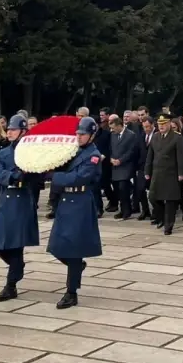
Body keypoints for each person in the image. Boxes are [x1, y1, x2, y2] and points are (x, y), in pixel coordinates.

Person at [47, 116, 103, 308]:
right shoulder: (73, 150)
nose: (79, 137)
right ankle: (77, 267)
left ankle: (71, 292)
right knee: (55, 245)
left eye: (83, 134)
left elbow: (79, 178)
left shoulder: (93, 155)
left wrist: (56, 177)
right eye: (77, 133)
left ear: (92, 135)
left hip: (80, 201)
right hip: (66, 201)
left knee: (73, 249)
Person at [0, 116, 36, 301]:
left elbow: (34, 174)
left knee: (15, 245)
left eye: (14, 130)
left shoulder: (31, 152)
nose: (9, 132)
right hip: (5, 198)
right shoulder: (4, 152)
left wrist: (21, 176)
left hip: (21, 199)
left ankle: (11, 285)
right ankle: (17, 267)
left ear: (23, 132)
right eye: (9, 129)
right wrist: (13, 176)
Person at [144, 113, 183, 234]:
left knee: (170, 201)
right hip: (157, 173)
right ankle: (161, 217)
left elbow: (181, 156)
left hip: (171, 173)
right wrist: (147, 170)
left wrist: (181, 173)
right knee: (152, 197)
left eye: (164, 124)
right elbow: (150, 155)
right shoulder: (156, 136)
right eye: (159, 124)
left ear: (169, 124)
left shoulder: (177, 137)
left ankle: (168, 226)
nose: (161, 126)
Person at [109, 116, 142, 219]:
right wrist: (111, 158)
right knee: (117, 190)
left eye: (114, 128)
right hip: (115, 166)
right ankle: (122, 209)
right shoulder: (113, 135)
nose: (112, 130)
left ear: (119, 126)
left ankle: (127, 210)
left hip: (126, 166)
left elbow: (132, 151)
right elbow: (110, 148)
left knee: (124, 189)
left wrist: (121, 160)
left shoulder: (131, 135)